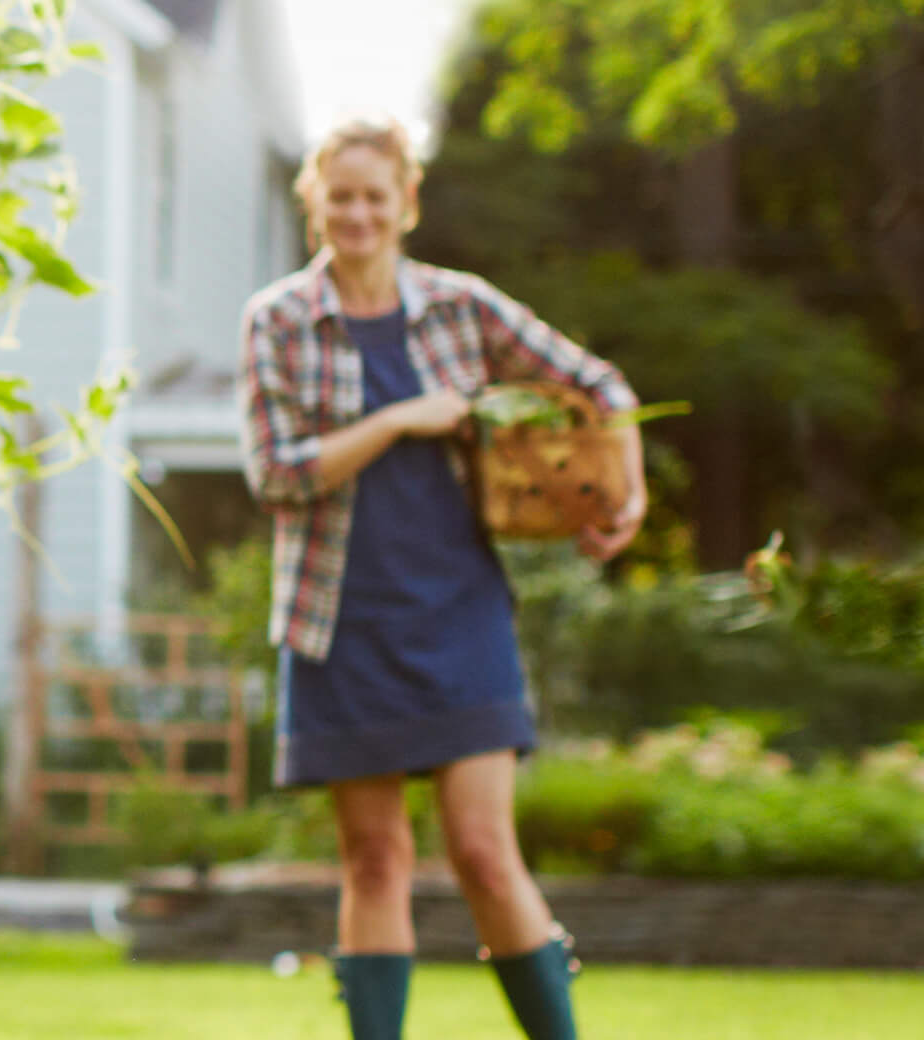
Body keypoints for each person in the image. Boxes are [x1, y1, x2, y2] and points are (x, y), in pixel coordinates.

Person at [237, 116, 642, 1040]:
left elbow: (603, 389)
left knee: (485, 855)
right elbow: (275, 474)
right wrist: (401, 421)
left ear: (406, 204)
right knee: (375, 860)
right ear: (315, 205)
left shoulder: (463, 308)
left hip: (460, 615)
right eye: (340, 196)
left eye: (376, 196)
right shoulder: (279, 320)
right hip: (339, 624)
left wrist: (629, 499)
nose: (358, 213)